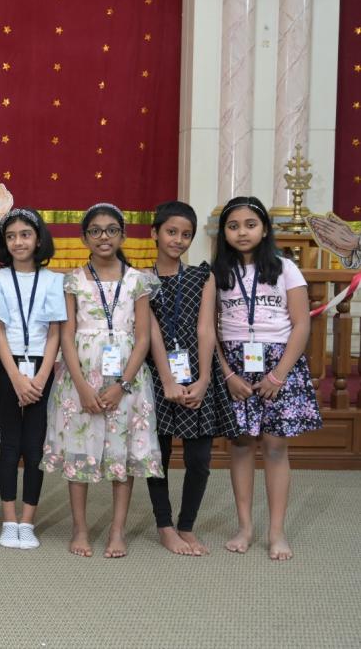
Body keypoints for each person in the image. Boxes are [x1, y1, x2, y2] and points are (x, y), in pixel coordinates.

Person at [40, 202, 163, 559]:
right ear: (84, 238)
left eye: (111, 230)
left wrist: (121, 385)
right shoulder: (72, 280)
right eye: (95, 231)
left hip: (127, 380)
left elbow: (143, 338)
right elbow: (66, 336)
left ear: (123, 235)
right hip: (81, 377)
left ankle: (117, 530)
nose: (103, 237)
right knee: (80, 449)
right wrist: (81, 386)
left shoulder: (138, 280)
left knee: (122, 453)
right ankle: (80, 529)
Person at [213, 196, 321, 561]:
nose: (242, 232)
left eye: (250, 225)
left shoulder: (285, 268)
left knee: (275, 446)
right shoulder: (217, 272)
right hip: (235, 365)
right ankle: (245, 527)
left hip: (279, 363)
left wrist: (278, 375)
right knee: (241, 444)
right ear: (224, 233)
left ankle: (276, 531)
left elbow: (301, 324)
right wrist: (227, 373)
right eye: (233, 226)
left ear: (264, 229)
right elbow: (209, 330)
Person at [145, 201, 237, 556]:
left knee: (199, 460)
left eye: (186, 235)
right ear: (155, 233)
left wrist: (203, 380)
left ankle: (186, 525)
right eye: (171, 232)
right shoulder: (141, 279)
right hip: (157, 375)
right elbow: (149, 333)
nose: (178, 240)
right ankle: (165, 526)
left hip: (198, 373)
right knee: (157, 457)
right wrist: (167, 380)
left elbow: (206, 329)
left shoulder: (202, 276)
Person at [0, 207, 65, 550]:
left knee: (35, 445)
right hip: (7, 366)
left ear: (38, 239)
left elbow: (55, 332)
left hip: (42, 367)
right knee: (9, 445)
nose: (18, 242)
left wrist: (40, 377)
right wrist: (15, 377)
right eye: (11, 236)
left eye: (25, 235)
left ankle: (28, 521)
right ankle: (9, 519)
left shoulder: (55, 281)